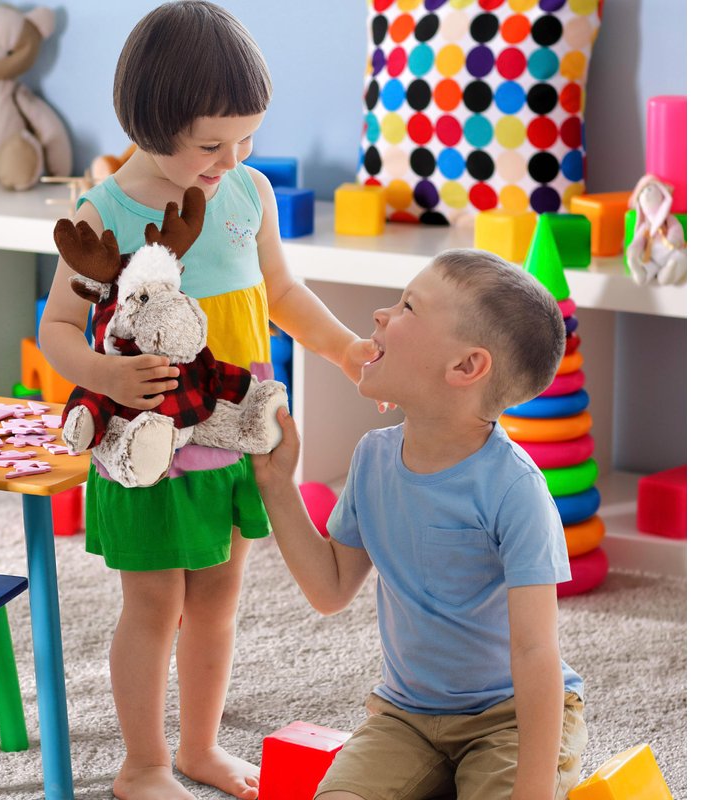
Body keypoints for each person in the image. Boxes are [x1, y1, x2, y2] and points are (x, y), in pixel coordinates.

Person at [39, 3, 376, 799]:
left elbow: (281, 292)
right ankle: (143, 764)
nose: (232, 158)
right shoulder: (104, 214)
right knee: (155, 605)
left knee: (219, 601)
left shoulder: (247, 192)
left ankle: (198, 748)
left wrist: (344, 348)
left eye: (246, 138)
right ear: (151, 125)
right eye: (211, 145)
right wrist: (106, 375)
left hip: (234, 433)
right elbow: (57, 328)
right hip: (148, 447)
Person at [253, 249, 589, 800]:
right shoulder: (372, 457)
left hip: (509, 720)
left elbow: (536, 653)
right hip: (405, 716)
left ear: (466, 367)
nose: (381, 315)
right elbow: (330, 589)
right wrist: (277, 484)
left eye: (408, 306)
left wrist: (531, 790)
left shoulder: (515, 489)